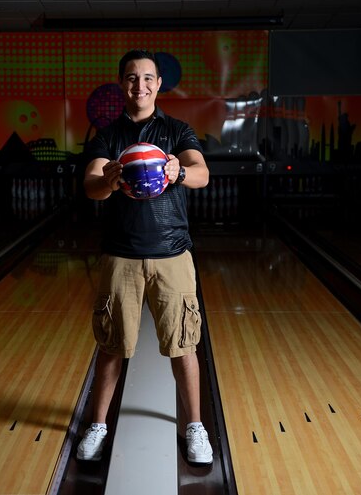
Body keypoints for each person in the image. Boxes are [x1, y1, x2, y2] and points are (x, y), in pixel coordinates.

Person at [76, 49, 213, 465]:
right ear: (123, 84)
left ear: (158, 84)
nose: (141, 85)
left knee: (183, 346)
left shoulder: (176, 131)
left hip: (172, 255)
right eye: (132, 78)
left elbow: (202, 173)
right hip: (121, 257)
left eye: (148, 78)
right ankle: (98, 425)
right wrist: (110, 180)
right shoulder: (107, 136)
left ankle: (194, 427)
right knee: (113, 347)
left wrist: (180, 172)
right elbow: (90, 186)